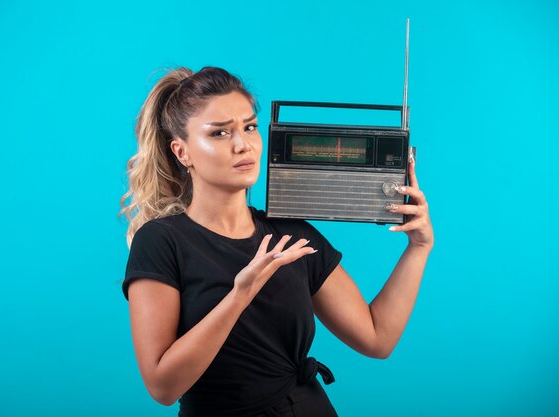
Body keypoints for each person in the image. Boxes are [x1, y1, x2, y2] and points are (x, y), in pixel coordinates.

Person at [119, 66, 434, 417]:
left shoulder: (291, 234)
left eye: (249, 127)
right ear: (182, 152)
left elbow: (377, 338)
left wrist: (418, 249)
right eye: (220, 133)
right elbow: (163, 387)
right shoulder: (162, 241)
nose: (243, 145)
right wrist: (240, 294)